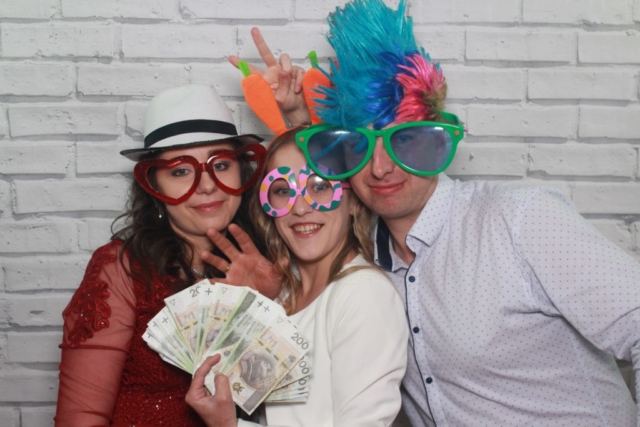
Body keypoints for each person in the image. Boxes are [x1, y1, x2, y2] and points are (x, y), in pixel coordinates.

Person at [234, 1, 640, 426]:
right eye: (362, 146)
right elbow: (317, 197)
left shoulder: (519, 220)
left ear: (434, 138)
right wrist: (299, 121)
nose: (380, 168)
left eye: (403, 140)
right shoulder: (364, 256)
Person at [54, 84, 281, 427]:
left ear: (242, 171)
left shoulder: (274, 255)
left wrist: (273, 302)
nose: (207, 185)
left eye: (221, 164)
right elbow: (80, 418)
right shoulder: (122, 269)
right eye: (181, 171)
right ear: (154, 186)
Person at [186, 128, 409, 427]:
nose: (301, 208)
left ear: (354, 202)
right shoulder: (285, 294)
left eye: (320, 186)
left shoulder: (364, 295)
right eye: (282, 191)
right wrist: (257, 310)